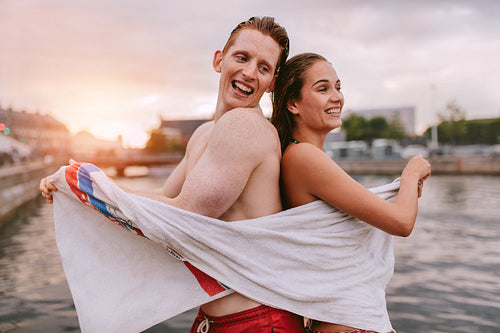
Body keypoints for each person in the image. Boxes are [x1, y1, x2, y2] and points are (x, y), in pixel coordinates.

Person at [40, 17, 304, 333]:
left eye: (263, 67)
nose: (249, 72)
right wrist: (78, 183)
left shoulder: (244, 126)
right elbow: (164, 201)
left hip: (256, 321)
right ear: (219, 60)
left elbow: (188, 212)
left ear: (271, 83)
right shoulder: (206, 133)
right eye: (242, 57)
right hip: (216, 320)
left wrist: (88, 183)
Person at [270, 53, 431, 333]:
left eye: (338, 87)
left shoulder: (297, 156)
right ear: (293, 103)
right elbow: (401, 222)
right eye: (322, 88)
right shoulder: (304, 157)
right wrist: (411, 173)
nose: (337, 97)